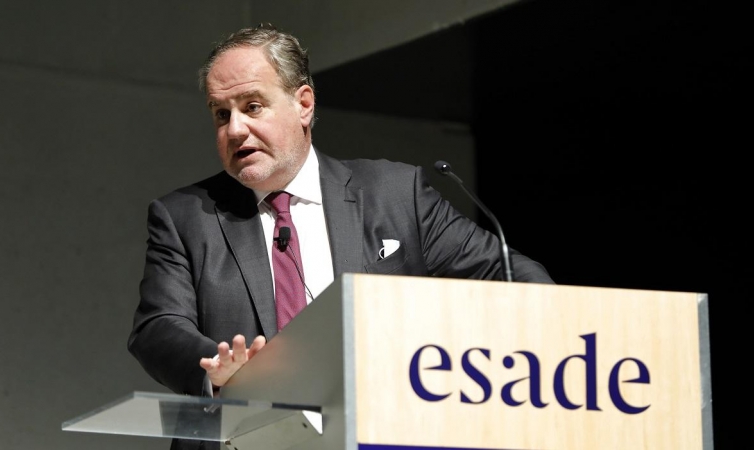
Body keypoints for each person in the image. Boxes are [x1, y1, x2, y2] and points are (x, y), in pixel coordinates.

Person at [128, 23, 554, 450]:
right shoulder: (185, 216)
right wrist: (219, 370)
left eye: (252, 106)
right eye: (222, 114)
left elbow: (508, 273)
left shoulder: (396, 194)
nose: (235, 129)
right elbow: (158, 325)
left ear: (304, 105)